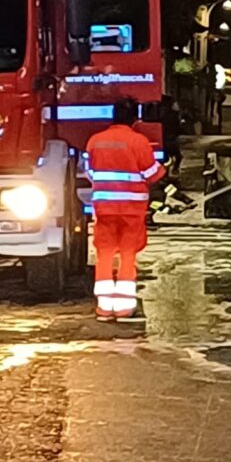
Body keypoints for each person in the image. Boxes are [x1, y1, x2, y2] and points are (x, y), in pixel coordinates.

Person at [86, 98, 165, 320]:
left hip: (104, 207)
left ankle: (104, 307)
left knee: (104, 253)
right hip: (132, 209)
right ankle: (123, 307)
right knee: (128, 254)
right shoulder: (138, 141)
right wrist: (163, 171)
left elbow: (90, 172)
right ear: (134, 118)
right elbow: (151, 174)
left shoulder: (95, 141)